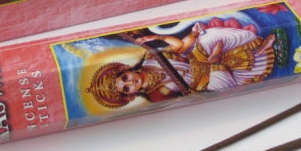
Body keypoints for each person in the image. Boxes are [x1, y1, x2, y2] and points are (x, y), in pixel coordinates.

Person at [86, 22, 278, 109]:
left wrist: (157, 37)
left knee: (209, 37)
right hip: (204, 81)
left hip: (198, 58)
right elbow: (185, 102)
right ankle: (257, 52)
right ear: (130, 95)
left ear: (125, 69)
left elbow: (180, 47)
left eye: (125, 78)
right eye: (127, 88)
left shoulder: (150, 58)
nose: (131, 82)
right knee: (219, 78)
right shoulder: (156, 96)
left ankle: (256, 46)